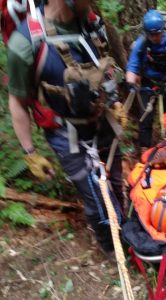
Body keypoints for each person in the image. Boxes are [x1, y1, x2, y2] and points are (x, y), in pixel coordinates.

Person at [7, 0, 128, 256]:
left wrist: (115, 102)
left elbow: (105, 68)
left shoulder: (91, 24)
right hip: (66, 133)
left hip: (103, 118)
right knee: (97, 199)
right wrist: (30, 153)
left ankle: (124, 228)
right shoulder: (26, 42)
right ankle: (111, 246)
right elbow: (17, 102)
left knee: (116, 182)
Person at [126, 9, 166, 154]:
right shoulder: (142, 44)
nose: (154, 37)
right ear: (146, 33)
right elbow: (132, 66)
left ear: (163, 30)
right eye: (151, 34)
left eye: (157, 33)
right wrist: (131, 83)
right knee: (145, 118)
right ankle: (144, 153)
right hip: (148, 82)